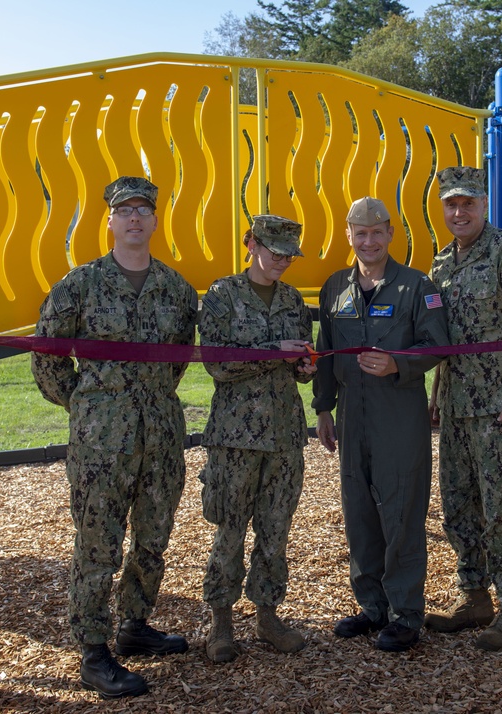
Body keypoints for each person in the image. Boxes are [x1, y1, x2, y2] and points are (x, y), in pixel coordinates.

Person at [32, 176, 198, 699]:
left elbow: (174, 361)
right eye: (123, 210)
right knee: (99, 543)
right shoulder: (79, 285)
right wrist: (87, 403)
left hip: (161, 436)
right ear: (108, 221)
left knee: (153, 538)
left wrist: (145, 402)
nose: (133, 219)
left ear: (153, 220)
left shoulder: (176, 288)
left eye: (142, 211)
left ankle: (134, 626)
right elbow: (47, 357)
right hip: (101, 441)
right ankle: (93, 648)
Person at [312, 196, 449, 652]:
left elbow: (438, 346)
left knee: (401, 512)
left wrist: (398, 365)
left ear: (391, 234)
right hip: (352, 416)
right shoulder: (335, 288)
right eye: (359, 233)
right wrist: (324, 408)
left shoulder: (416, 286)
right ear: (348, 236)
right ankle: (372, 608)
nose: (368, 241)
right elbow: (326, 349)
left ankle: (406, 614)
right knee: (360, 514)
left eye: (376, 232)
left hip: (398, 413)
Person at [425, 166, 502, 651]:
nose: (460, 212)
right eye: (451, 204)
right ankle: (475, 597)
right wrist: (438, 396)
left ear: (483, 205)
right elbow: (445, 341)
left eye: (468, 203)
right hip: (457, 408)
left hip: (501, 406)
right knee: (458, 506)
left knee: (500, 508)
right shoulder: (442, 264)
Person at [198, 214, 317, 663]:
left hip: (284, 434)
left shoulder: (291, 300)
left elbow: (300, 363)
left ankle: (267, 614)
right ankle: (221, 621)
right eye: (274, 251)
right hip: (235, 436)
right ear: (250, 243)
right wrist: (274, 354)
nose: (282, 261)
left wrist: (305, 367)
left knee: (275, 529)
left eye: (289, 254)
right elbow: (217, 364)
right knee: (229, 529)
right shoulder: (222, 295)